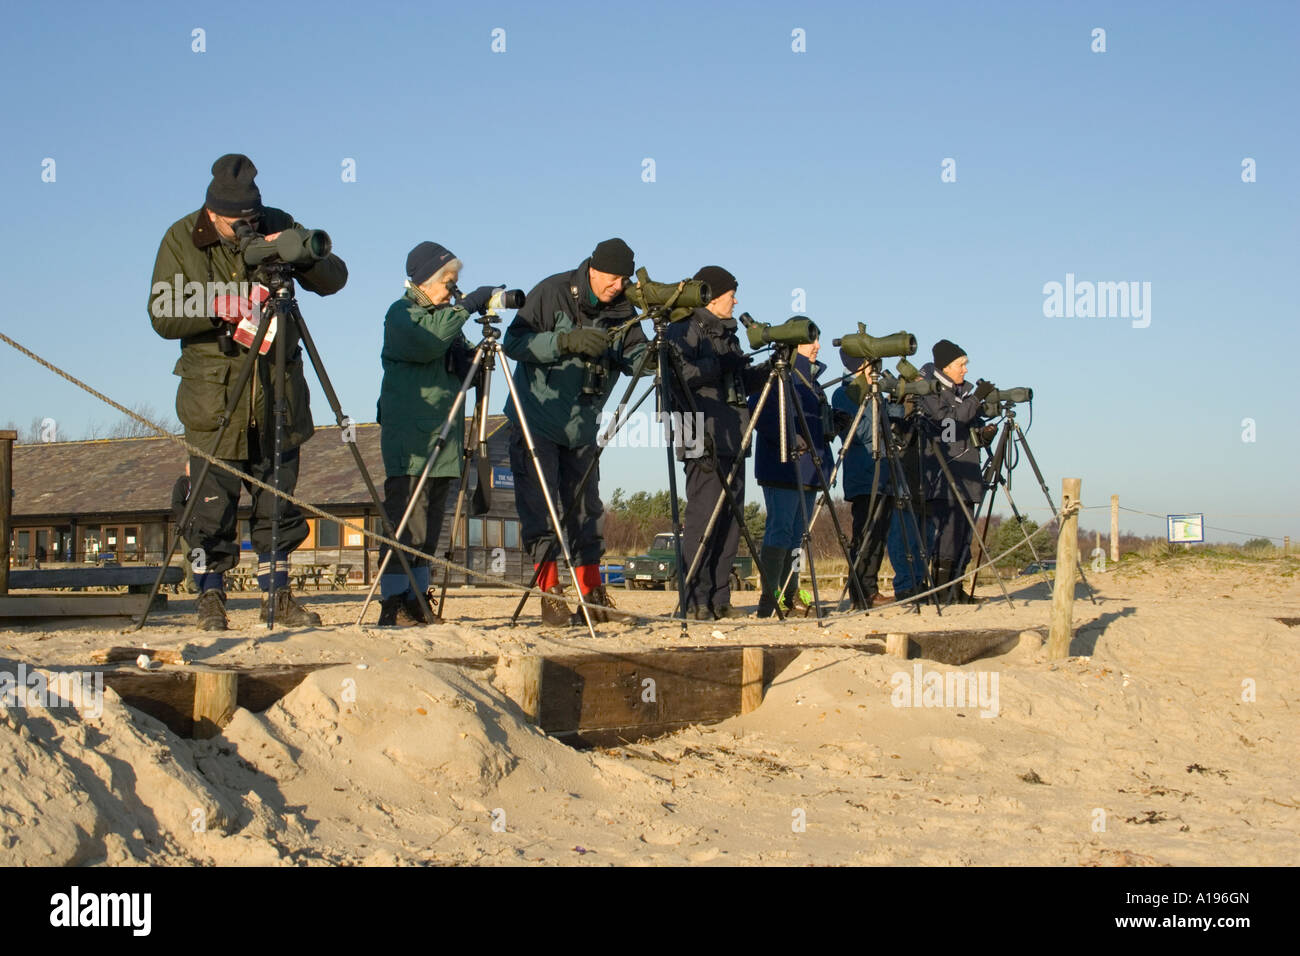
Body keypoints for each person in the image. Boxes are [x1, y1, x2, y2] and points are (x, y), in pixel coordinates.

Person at [149, 154, 348, 630]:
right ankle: (210, 596)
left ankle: (277, 596)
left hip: (277, 388)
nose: (246, 228)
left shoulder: (275, 224)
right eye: (236, 222)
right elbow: (161, 311)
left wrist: (302, 253)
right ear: (211, 213)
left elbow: (336, 279)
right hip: (214, 395)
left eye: (252, 219)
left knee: (277, 498)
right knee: (210, 505)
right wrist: (218, 306)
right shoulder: (182, 237)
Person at [503, 238, 648, 625]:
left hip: (582, 425)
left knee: (587, 512)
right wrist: (565, 342)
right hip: (537, 419)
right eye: (613, 278)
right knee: (541, 507)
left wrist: (654, 358)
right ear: (594, 270)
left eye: (625, 280)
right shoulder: (552, 292)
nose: (618, 286)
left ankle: (592, 594)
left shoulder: (622, 309)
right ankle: (549, 592)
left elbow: (637, 357)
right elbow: (513, 341)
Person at [375, 241, 497, 626]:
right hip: (412, 440)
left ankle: (417, 597)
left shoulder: (445, 321)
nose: (454, 291)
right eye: (449, 282)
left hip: (444, 441)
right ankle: (394, 601)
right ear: (426, 282)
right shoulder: (403, 315)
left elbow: (457, 367)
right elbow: (428, 342)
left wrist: (477, 361)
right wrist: (468, 307)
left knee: (429, 526)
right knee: (407, 521)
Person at [663, 266, 766, 620]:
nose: (736, 300)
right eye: (731, 294)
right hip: (699, 430)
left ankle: (720, 599)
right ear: (713, 294)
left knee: (730, 521)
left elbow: (735, 382)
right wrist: (720, 363)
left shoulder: (728, 334)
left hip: (733, 435)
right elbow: (679, 375)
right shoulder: (686, 327)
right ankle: (695, 599)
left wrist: (766, 371)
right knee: (703, 519)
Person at [750, 322, 830, 618]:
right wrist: (788, 436)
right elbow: (757, 409)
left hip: (810, 469)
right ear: (795, 343)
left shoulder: (812, 380)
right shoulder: (778, 373)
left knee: (797, 536)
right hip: (781, 465)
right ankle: (770, 596)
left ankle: (789, 593)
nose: (817, 346)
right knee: (780, 530)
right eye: (811, 340)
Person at [917, 339, 994, 604]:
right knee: (946, 537)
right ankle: (941, 592)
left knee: (964, 535)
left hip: (968, 474)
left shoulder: (963, 393)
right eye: (961, 365)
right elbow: (948, 423)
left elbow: (964, 423)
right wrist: (975, 400)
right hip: (944, 474)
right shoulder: (929, 389)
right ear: (946, 366)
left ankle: (956, 589)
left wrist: (984, 434)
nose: (965, 370)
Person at [830, 349, 895, 609]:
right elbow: (858, 432)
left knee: (879, 535)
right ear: (859, 366)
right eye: (870, 365)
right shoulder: (844, 394)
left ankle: (872, 588)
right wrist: (874, 403)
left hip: (885, 474)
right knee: (865, 534)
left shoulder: (875, 393)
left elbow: (891, 426)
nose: (874, 371)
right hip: (863, 474)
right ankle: (861, 592)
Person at [170, 461, 198, 593]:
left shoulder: (202, 484)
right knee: (190, 554)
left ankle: (172, 577)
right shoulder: (184, 484)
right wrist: (188, 518)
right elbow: (176, 504)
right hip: (186, 527)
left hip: (200, 526)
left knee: (195, 555)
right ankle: (192, 585)